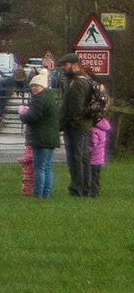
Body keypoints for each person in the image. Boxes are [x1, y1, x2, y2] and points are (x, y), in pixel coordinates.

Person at [59, 53, 98, 197]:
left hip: (76, 126)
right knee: (83, 157)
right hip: (83, 124)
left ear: (75, 65)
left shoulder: (77, 83)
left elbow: (75, 108)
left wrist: (66, 123)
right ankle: (85, 188)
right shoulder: (84, 80)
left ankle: (77, 189)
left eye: (65, 65)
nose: (63, 68)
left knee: (76, 158)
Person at [22, 71, 61, 198]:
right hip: (51, 137)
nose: (34, 88)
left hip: (41, 137)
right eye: (32, 86)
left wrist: (23, 115)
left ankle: (38, 193)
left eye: (36, 86)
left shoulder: (39, 99)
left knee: (39, 167)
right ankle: (46, 193)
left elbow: (33, 116)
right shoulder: (50, 98)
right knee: (47, 167)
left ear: (43, 86)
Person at [89, 112, 112, 194]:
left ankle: (93, 191)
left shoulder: (94, 131)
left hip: (93, 158)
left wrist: (86, 151)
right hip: (99, 159)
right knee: (97, 175)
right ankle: (97, 189)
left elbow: (93, 144)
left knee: (92, 176)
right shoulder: (103, 130)